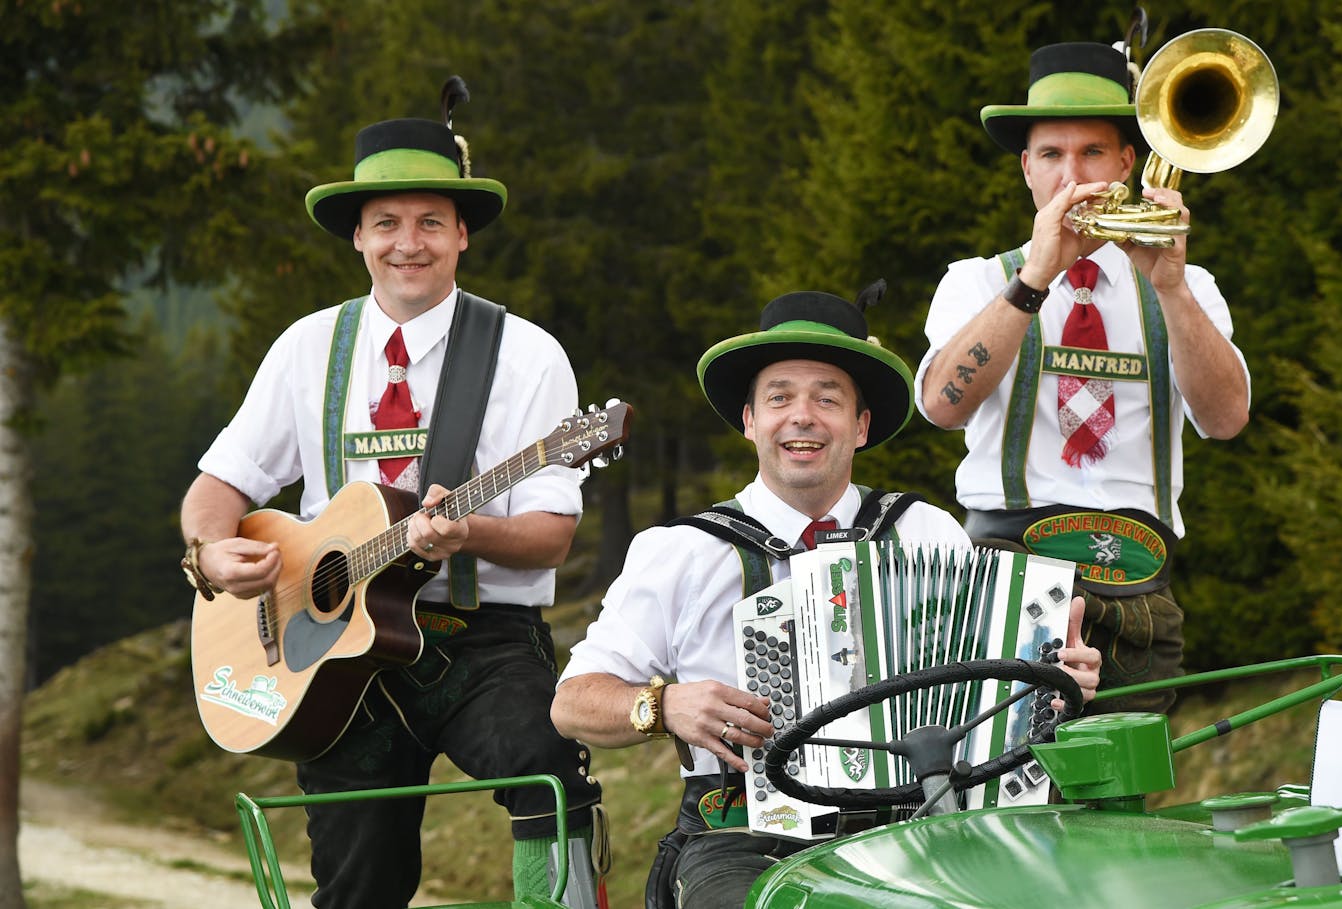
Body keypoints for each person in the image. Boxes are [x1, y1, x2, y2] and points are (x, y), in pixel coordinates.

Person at [178, 83, 602, 909]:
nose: (409, 244)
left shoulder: (527, 355)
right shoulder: (307, 347)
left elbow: (552, 533)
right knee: (357, 878)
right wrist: (209, 549)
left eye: (431, 222)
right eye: (387, 224)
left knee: (549, 774)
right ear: (359, 238)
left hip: (484, 643)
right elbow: (218, 483)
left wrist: (470, 531)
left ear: (463, 233)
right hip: (331, 649)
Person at [551, 290, 1103, 909]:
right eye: (779, 397)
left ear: (860, 426)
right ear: (750, 421)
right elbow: (572, 704)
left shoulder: (927, 530)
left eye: (828, 399)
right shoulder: (682, 550)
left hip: (922, 818)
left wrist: (1052, 686)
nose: (802, 416)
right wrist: (663, 705)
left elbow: (992, 702)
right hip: (744, 836)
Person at [916, 41, 1251, 713]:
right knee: (1007, 793)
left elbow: (1226, 419)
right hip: (1009, 573)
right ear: (1026, 171)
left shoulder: (1189, 285)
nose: (1072, 176)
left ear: (1128, 164)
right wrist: (1033, 278)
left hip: (1141, 582)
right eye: (1051, 156)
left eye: (1093, 153)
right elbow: (939, 405)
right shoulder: (979, 280)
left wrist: (1173, 289)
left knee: (1122, 800)